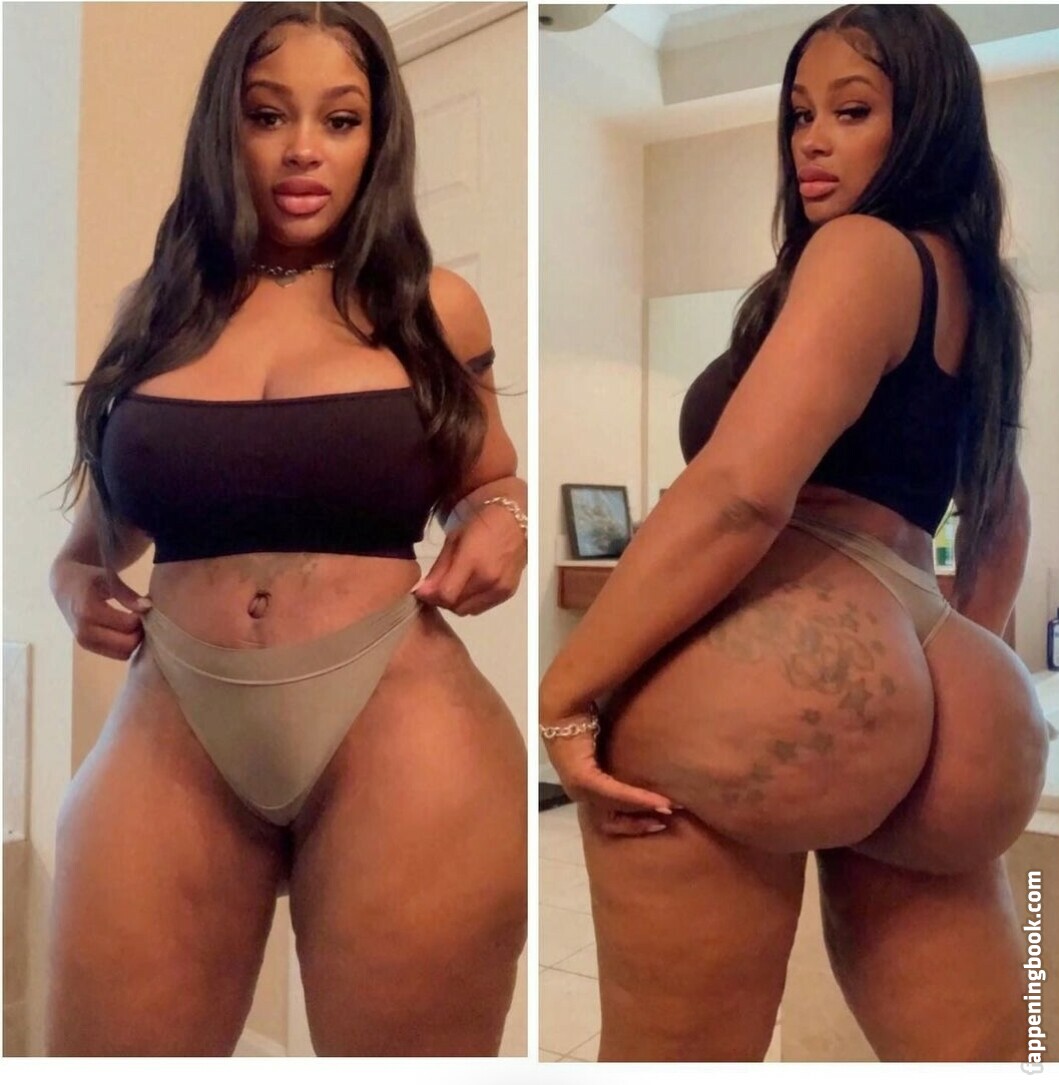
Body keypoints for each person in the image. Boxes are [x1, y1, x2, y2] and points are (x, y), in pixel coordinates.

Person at [541, 3, 1051, 1062]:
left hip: (789, 665)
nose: (811, 140)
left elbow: (740, 492)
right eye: (799, 114)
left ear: (926, 121)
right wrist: (936, 666)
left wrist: (567, 689)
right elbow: (1001, 512)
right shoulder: (979, 293)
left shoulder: (861, 250)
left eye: (851, 112)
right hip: (959, 686)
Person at [47, 2, 527, 1056]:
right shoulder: (158, 311)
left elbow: (491, 480)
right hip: (171, 720)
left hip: (399, 719)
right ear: (225, 125)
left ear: (377, 136)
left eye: (339, 119)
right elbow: (95, 540)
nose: (303, 149)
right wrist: (74, 582)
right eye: (269, 115)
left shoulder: (433, 307)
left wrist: (502, 521)